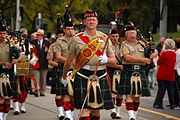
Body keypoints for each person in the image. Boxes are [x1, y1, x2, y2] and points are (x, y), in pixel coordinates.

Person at [62, 10, 116, 120]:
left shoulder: (104, 38)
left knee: (96, 110)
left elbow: (114, 60)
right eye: (88, 20)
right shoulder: (76, 39)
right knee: (85, 109)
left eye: (93, 20)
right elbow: (69, 61)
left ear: (97, 22)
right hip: (82, 75)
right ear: (84, 22)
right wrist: (64, 77)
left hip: (100, 74)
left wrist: (107, 60)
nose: (91, 22)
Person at [118, 26, 157, 120]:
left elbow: (155, 50)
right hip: (128, 70)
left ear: (136, 34)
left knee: (137, 96)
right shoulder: (124, 44)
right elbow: (127, 58)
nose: (131, 35)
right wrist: (143, 59)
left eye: (132, 33)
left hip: (140, 70)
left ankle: (134, 115)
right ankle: (131, 116)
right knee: (129, 94)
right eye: (128, 33)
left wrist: (153, 55)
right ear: (125, 35)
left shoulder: (143, 44)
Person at [47, 21, 74, 120]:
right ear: (64, 30)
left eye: (71, 28)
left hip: (76, 69)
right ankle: (65, 114)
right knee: (62, 94)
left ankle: (70, 113)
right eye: (68, 29)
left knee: (73, 95)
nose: (70, 31)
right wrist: (69, 61)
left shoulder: (78, 39)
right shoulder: (58, 42)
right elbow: (57, 57)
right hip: (62, 69)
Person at [0, 25, 23, 120]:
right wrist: (3, 63)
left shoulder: (11, 44)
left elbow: (20, 55)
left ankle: (4, 116)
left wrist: (16, 60)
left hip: (9, 72)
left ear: (7, 34)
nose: (2, 35)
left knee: (7, 97)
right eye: (0, 33)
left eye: (4, 33)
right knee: (0, 97)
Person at [153, 39, 176, 109]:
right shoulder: (174, 53)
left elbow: (159, 62)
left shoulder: (165, 53)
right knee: (171, 90)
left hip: (162, 74)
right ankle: (172, 104)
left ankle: (158, 103)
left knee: (161, 90)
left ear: (166, 45)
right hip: (171, 74)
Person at [106, 29, 123, 119]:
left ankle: (118, 112)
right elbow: (105, 61)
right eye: (113, 36)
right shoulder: (106, 46)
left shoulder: (121, 46)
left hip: (120, 71)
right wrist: (118, 66)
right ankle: (112, 110)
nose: (115, 38)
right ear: (110, 37)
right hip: (109, 70)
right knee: (111, 92)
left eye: (116, 36)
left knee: (119, 93)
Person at [31, 29, 50, 96]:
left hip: (44, 63)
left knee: (43, 79)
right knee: (36, 78)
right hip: (36, 63)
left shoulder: (47, 43)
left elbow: (49, 52)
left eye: (38, 35)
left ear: (42, 36)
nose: (37, 36)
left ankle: (42, 91)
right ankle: (36, 90)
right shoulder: (33, 42)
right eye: (37, 35)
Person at [174, 38, 180, 109]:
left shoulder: (177, 53)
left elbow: (176, 63)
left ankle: (178, 103)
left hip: (178, 71)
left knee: (177, 89)